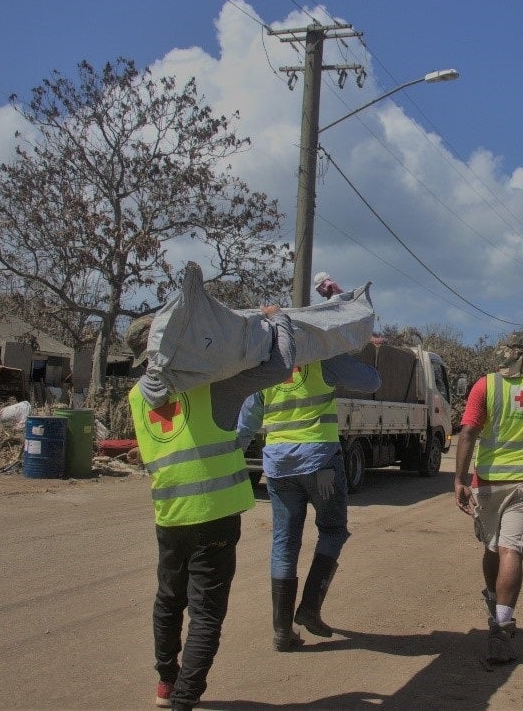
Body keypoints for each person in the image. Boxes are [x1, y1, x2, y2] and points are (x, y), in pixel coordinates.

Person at [127, 304, 299, 711]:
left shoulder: (135, 396)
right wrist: (279, 321)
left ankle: (167, 686)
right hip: (215, 514)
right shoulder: (211, 384)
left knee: (169, 600)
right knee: (206, 611)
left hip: (170, 513)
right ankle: (186, 698)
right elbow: (281, 367)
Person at [236, 351, 380, 651]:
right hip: (320, 466)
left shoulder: (264, 368)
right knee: (332, 530)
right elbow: (371, 381)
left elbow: (245, 425)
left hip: (278, 467)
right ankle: (310, 608)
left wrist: (225, 458)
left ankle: (281, 631)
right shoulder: (322, 361)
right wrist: (341, 350)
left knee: (284, 543)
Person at [453, 331, 523, 665]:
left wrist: (459, 478)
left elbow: (469, 431)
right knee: (509, 549)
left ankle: (497, 613)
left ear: (507, 354)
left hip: (487, 483)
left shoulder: (485, 385)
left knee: (496, 547)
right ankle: (501, 622)